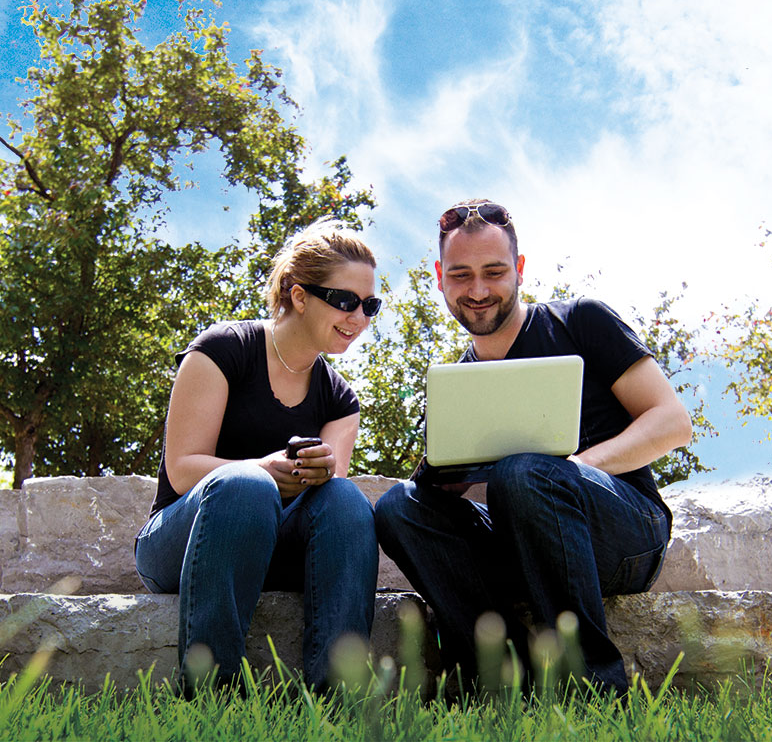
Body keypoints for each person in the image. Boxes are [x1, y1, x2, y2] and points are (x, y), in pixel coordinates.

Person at [375, 199, 692, 696]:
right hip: (523, 543)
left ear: (519, 269)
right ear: (440, 276)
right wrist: (447, 483)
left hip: (625, 535)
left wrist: (569, 470)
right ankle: (505, 677)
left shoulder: (580, 322)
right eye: (461, 275)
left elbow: (673, 423)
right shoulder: (454, 385)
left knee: (525, 472)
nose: (478, 291)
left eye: (494, 272)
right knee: (398, 507)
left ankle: (595, 689)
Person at [135, 219, 381, 693]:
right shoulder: (222, 349)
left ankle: (337, 698)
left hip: (278, 548)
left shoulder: (341, 399)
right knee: (246, 486)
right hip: (186, 542)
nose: (359, 318)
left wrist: (317, 474)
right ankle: (210, 694)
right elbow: (183, 469)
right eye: (346, 301)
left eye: (370, 305)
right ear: (299, 295)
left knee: (347, 500)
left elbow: (328, 504)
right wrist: (262, 470)